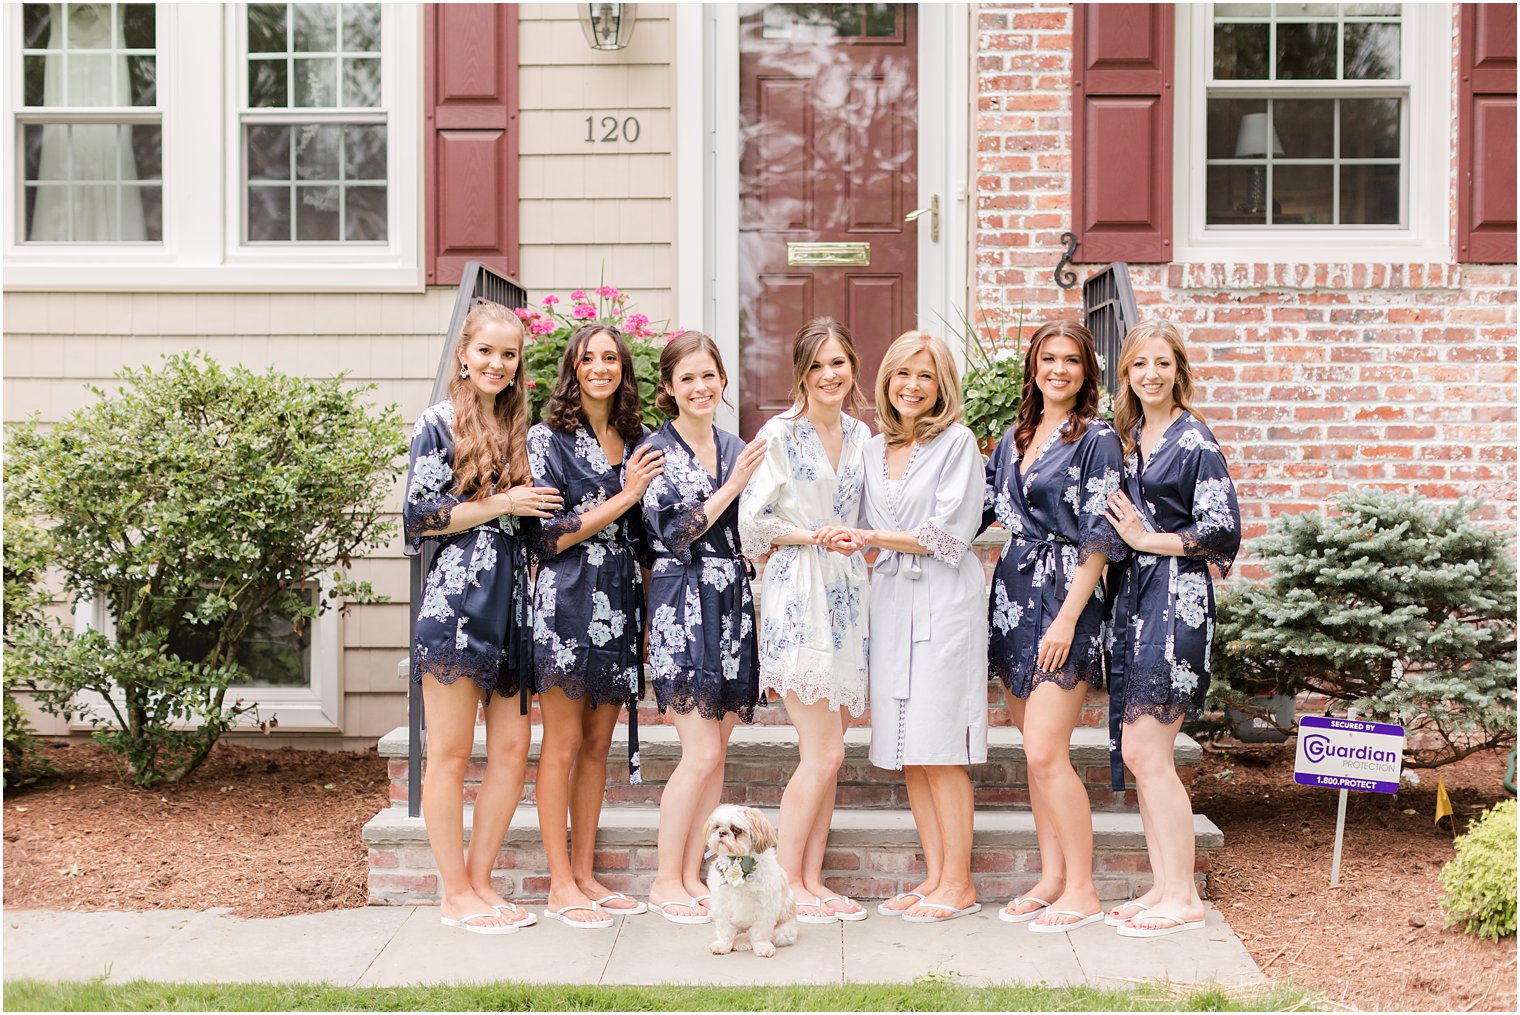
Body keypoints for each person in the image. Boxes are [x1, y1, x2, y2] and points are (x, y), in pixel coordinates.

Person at [404, 298, 563, 934]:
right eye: (487, 352)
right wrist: (505, 502)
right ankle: (452, 893)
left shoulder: (520, 428)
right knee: (447, 754)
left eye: (509, 354)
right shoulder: (439, 423)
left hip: (514, 606)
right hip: (457, 603)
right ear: (464, 357)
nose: (498, 363)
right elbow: (421, 517)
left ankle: (481, 880)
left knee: (512, 747)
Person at [983, 319, 1127, 932]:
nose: (1059, 370)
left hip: (1066, 598)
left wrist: (1068, 619)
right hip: (1013, 593)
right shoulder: (1014, 437)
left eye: (1071, 360)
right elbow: (973, 512)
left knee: (1047, 752)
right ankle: (1051, 878)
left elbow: (1099, 538)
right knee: (1032, 753)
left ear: (1086, 371)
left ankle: (1084, 889)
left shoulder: (1096, 439)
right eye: (1049, 358)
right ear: (1033, 367)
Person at [1102, 321, 1241, 938]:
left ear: (1177, 369)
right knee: (1140, 753)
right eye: (1139, 365)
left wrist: (1143, 540)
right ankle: (1163, 885)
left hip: (1177, 600)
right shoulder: (1131, 437)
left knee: (1149, 752)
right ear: (1127, 374)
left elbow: (1221, 529)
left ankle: (1183, 897)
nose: (1150, 374)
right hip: (1134, 602)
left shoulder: (1195, 439)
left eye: (1162, 363)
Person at [528, 323, 664, 928]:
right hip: (565, 599)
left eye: (611, 358)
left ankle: (585, 874)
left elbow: (646, 540)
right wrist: (625, 494)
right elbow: (549, 535)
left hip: (621, 600)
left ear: (623, 369)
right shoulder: (546, 438)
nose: (601, 368)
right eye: (590, 359)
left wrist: (647, 617)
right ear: (573, 369)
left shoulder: (636, 438)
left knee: (597, 747)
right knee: (560, 744)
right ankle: (559, 883)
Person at [737, 316, 871, 924]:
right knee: (821, 751)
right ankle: (784, 884)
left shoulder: (863, 436)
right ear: (801, 373)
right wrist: (809, 534)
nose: (829, 375)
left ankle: (813, 880)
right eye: (817, 366)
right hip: (799, 590)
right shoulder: (780, 434)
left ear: (852, 367)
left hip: (848, 591)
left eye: (838, 362)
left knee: (834, 751)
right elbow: (752, 525)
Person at [855, 332, 989, 924]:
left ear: (943, 387)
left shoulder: (957, 443)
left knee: (940, 747)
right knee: (911, 749)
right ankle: (933, 876)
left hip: (942, 600)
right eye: (902, 373)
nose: (912, 385)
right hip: (889, 601)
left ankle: (959, 883)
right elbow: (856, 523)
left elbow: (948, 536)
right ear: (886, 379)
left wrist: (872, 540)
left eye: (926, 376)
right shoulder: (872, 447)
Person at [638, 332, 769, 924]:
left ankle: (698, 874)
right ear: (668, 388)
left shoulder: (732, 444)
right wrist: (734, 486)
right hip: (681, 599)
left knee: (717, 755)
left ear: (722, 380)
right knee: (697, 751)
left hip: (731, 601)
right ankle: (667, 878)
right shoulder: (653, 452)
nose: (699, 387)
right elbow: (673, 532)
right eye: (687, 378)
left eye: (708, 376)